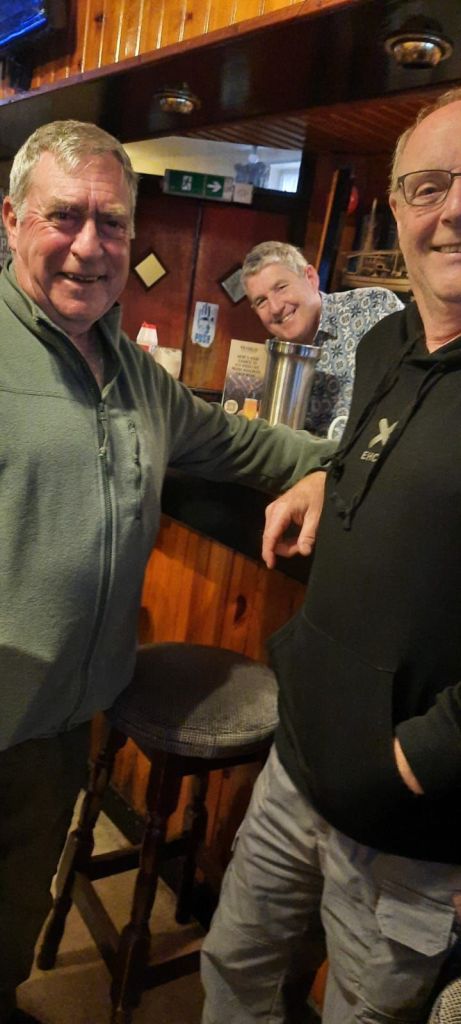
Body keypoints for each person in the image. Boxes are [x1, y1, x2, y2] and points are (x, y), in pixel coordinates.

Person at [0, 120, 337, 1024]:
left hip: (61, 724)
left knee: (13, 914)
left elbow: (243, 443)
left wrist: (346, 463)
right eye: (63, 216)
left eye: (111, 222)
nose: (89, 245)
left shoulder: (130, 371)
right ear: (11, 220)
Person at [201, 86, 461, 1024]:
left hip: (411, 819)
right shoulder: (389, 338)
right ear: (395, 206)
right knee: (232, 970)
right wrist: (324, 474)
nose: (452, 211)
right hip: (298, 760)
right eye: (428, 186)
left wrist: (418, 758)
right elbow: (374, 446)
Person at [241, 240, 403, 437]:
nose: (275, 308)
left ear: (310, 278)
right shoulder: (269, 363)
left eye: (281, 287)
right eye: (261, 301)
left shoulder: (373, 307)